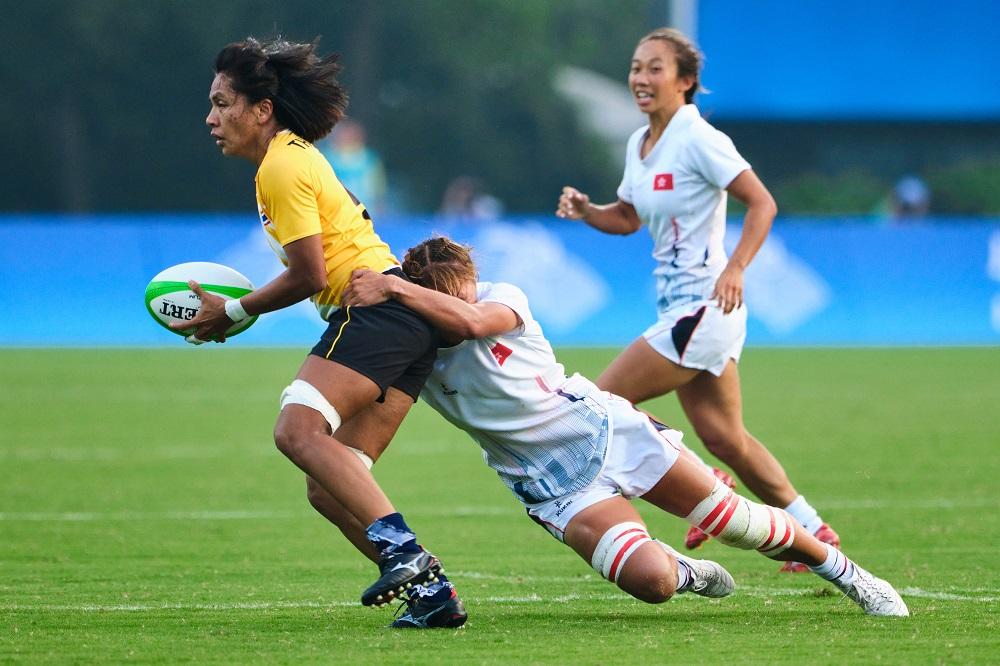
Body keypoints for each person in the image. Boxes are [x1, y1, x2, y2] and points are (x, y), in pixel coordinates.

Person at [342, 237, 909, 617]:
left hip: (608, 433)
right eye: (438, 303)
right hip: (552, 485)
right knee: (653, 585)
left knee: (738, 525)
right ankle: (686, 571)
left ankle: (848, 574)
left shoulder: (500, 299)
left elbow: (470, 320)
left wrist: (392, 287)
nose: (454, 310)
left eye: (460, 294)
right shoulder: (416, 349)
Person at [173, 37, 466, 629]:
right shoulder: (292, 156)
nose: (210, 118)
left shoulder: (282, 164)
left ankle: (404, 553)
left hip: (378, 313)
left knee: (297, 430)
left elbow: (308, 275)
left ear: (261, 108)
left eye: (222, 102)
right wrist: (241, 307)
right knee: (331, 489)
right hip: (405, 324)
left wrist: (233, 312)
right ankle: (435, 599)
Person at [555, 28, 838, 570]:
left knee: (601, 402)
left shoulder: (698, 137)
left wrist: (735, 269)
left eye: (655, 68)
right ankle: (812, 529)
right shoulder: (640, 145)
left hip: (705, 308)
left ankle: (706, 488)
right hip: (681, 310)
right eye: (637, 67)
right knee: (726, 438)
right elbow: (629, 217)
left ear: (685, 82)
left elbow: (762, 203)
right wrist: (589, 211)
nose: (640, 77)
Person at [319, 119, 387, 218]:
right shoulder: (326, 157)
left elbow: (378, 186)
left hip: (365, 209)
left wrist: (380, 205)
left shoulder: (369, 158)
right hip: (337, 211)